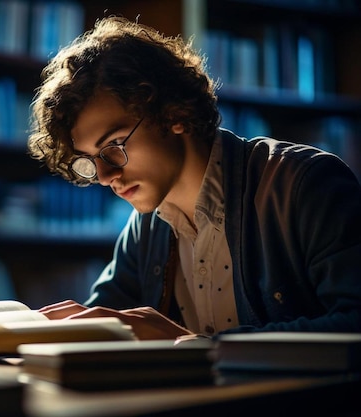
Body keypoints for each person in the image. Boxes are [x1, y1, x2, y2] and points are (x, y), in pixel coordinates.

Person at [27, 16, 361, 340]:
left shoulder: (303, 184)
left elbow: (353, 323)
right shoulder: (146, 228)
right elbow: (102, 320)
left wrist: (198, 348)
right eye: (89, 160)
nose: (104, 176)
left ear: (173, 113)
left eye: (114, 145)